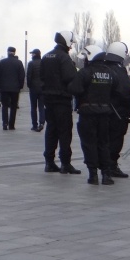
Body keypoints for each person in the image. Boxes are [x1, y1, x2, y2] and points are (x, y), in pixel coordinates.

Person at [69, 45, 117, 185]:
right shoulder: (111, 73)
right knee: (104, 144)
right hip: (105, 114)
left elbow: (74, 88)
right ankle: (106, 174)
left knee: (89, 144)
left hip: (88, 113)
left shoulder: (85, 72)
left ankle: (93, 175)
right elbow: (117, 89)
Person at [41, 30, 80, 174]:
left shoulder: (46, 56)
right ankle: (65, 163)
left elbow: (41, 77)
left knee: (51, 130)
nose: (71, 46)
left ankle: (49, 162)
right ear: (66, 41)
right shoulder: (64, 58)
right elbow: (70, 78)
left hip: (48, 99)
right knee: (64, 132)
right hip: (62, 100)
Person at [103, 41, 130, 178]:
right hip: (118, 112)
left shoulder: (102, 67)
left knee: (104, 140)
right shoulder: (118, 70)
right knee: (115, 140)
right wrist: (128, 111)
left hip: (104, 110)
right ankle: (111, 166)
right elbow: (125, 91)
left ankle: (105, 165)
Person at [0, 47, 25, 130]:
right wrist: (20, 86)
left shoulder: (2, 62)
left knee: (4, 106)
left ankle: (5, 123)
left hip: (4, 88)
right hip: (15, 88)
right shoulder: (19, 63)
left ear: (7, 52)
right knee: (13, 106)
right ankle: (11, 125)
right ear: (14, 52)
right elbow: (22, 76)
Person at [26, 48, 45, 131]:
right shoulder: (44, 63)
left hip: (33, 88)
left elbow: (29, 76)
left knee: (33, 107)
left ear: (35, 54)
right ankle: (42, 122)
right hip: (42, 88)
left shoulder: (31, 63)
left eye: (32, 54)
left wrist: (29, 85)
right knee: (41, 107)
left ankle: (34, 125)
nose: (31, 55)